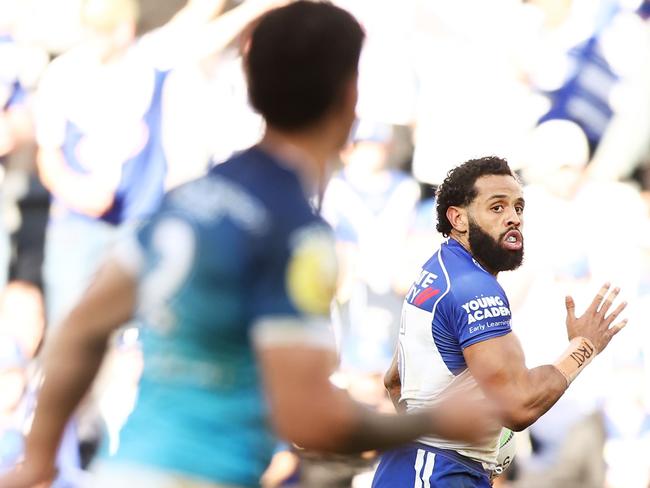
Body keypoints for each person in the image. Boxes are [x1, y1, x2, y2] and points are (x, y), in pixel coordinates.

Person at [0, 3, 498, 488]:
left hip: (129, 470)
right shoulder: (298, 234)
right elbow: (311, 421)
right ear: (349, 97)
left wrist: (39, 459)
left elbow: (82, 328)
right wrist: (436, 422)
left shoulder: (190, 198)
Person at [372, 156, 628, 487]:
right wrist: (584, 346)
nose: (513, 218)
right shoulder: (474, 288)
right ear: (458, 218)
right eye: (497, 208)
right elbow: (519, 406)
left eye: (518, 208)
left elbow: (395, 381)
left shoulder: (439, 268)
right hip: (437, 473)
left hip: (416, 466)